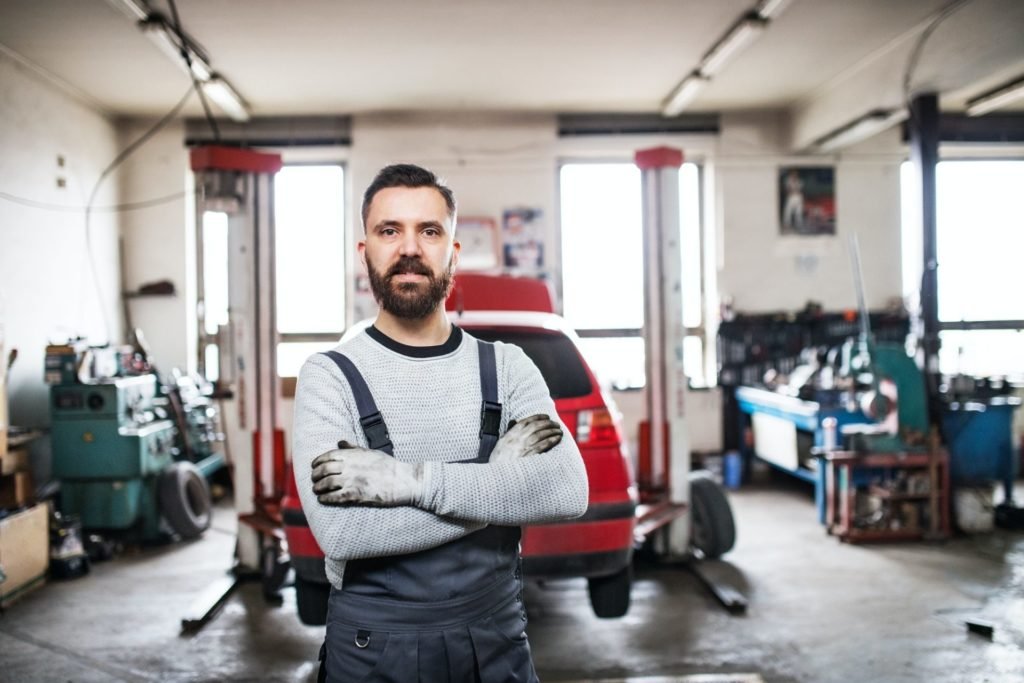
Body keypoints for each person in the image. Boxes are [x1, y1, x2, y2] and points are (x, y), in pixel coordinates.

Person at [292, 163, 589, 683]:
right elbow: (342, 531)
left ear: (453, 253)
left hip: (496, 645)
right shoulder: (329, 377)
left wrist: (408, 482)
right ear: (366, 253)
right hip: (372, 654)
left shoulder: (508, 367)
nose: (410, 248)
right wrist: (498, 488)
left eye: (429, 231)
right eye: (390, 231)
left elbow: (566, 491)